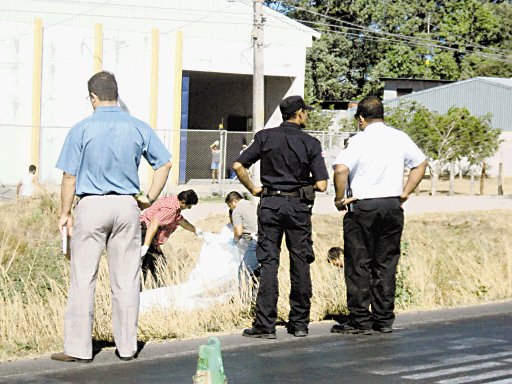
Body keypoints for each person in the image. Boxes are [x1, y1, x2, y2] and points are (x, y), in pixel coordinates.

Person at [52, 71, 172, 363]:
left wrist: (65, 213)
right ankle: (127, 347)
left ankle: (78, 349)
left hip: (91, 205)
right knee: (126, 278)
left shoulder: (81, 129)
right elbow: (164, 163)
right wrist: (149, 198)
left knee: (83, 277)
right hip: (126, 206)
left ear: (92, 96)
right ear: (116, 94)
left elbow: (69, 176)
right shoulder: (137, 126)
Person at [233, 95, 329, 339]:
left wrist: (253, 188)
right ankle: (299, 323)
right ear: (298, 113)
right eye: (305, 111)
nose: (306, 115)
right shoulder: (311, 143)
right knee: (300, 262)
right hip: (298, 207)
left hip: (270, 204)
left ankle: (265, 325)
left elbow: (238, 166)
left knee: (269, 263)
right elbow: (321, 183)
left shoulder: (265, 137)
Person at [332, 95, 427, 335]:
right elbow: (420, 164)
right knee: (386, 264)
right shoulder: (399, 137)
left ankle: (360, 319)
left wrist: (339, 197)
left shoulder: (358, 141)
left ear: (361, 118)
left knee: (358, 264)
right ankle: (384, 318)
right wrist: (404, 193)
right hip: (392, 205)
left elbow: (341, 168)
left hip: (363, 207)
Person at [140, 189, 202, 286]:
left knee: (158, 266)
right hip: (145, 234)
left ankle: (156, 291)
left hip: (150, 237)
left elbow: (180, 221)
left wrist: (195, 230)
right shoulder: (171, 209)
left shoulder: (174, 202)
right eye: (189, 206)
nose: (189, 208)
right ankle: (145, 293)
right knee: (150, 267)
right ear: (183, 202)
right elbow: (153, 225)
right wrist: (146, 246)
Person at [224, 191, 259, 287]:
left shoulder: (237, 210)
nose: (230, 208)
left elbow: (238, 232)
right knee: (257, 271)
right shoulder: (252, 204)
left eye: (229, 205)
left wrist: (235, 241)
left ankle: (245, 299)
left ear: (234, 201)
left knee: (244, 271)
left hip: (255, 241)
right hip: (265, 239)